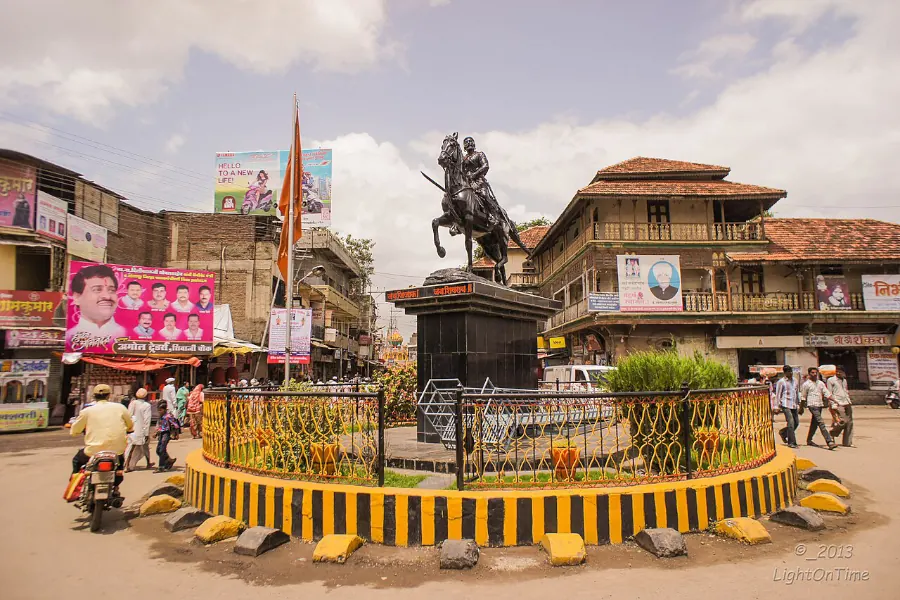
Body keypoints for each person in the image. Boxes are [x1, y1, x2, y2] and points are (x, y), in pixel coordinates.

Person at [69, 384, 134, 489]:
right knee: (119, 466)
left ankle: (75, 486)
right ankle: (115, 487)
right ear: (109, 396)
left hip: (93, 451)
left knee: (77, 461)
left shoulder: (87, 411)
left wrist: (75, 431)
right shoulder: (120, 408)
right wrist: (129, 429)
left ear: (94, 396)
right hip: (116, 451)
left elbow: (74, 430)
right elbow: (130, 425)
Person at [67, 264, 127, 343]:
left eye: (111, 290)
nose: (107, 296)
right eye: (97, 289)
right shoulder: (69, 338)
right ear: (77, 297)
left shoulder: (127, 336)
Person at [800, 367, 838, 450]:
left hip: (819, 404)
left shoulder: (820, 383)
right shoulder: (806, 384)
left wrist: (834, 400)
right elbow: (803, 397)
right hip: (812, 405)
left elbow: (826, 393)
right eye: (812, 373)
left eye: (815, 373)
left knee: (815, 423)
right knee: (821, 422)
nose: (814, 374)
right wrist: (801, 408)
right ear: (809, 374)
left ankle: (809, 440)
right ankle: (829, 441)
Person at [124, 389, 154, 472]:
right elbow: (147, 420)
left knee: (131, 447)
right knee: (141, 447)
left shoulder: (132, 403)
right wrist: (146, 433)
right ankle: (128, 465)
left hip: (132, 429)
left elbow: (128, 415)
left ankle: (127, 465)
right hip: (141, 430)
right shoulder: (146, 405)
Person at [828, 368, 854, 447]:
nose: (840, 373)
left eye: (842, 372)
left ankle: (847, 442)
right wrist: (833, 404)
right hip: (838, 402)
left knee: (850, 423)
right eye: (839, 372)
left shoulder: (844, 381)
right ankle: (832, 433)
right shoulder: (831, 380)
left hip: (847, 402)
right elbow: (829, 393)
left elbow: (845, 391)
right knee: (843, 421)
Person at [775, 366, 800, 448]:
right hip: (785, 404)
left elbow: (796, 392)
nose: (790, 373)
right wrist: (777, 406)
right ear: (785, 373)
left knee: (796, 423)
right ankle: (792, 442)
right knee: (791, 423)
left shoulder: (795, 381)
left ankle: (783, 433)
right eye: (788, 371)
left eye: (791, 371)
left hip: (794, 404)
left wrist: (798, 403)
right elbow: (778, 394)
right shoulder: (781, 382)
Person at [154, 401, 180, 472]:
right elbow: (160, 426)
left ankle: (161, 466)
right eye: (158, 410)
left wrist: (176, 434)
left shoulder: (168, 416)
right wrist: (156, 433)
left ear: (165, 409)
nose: (159, 411)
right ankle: (169, 460)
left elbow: (176, 425)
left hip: (166, 433)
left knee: (162, 450)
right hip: (161, 433)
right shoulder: (161, 417)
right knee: (158, 450)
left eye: (161, 410)